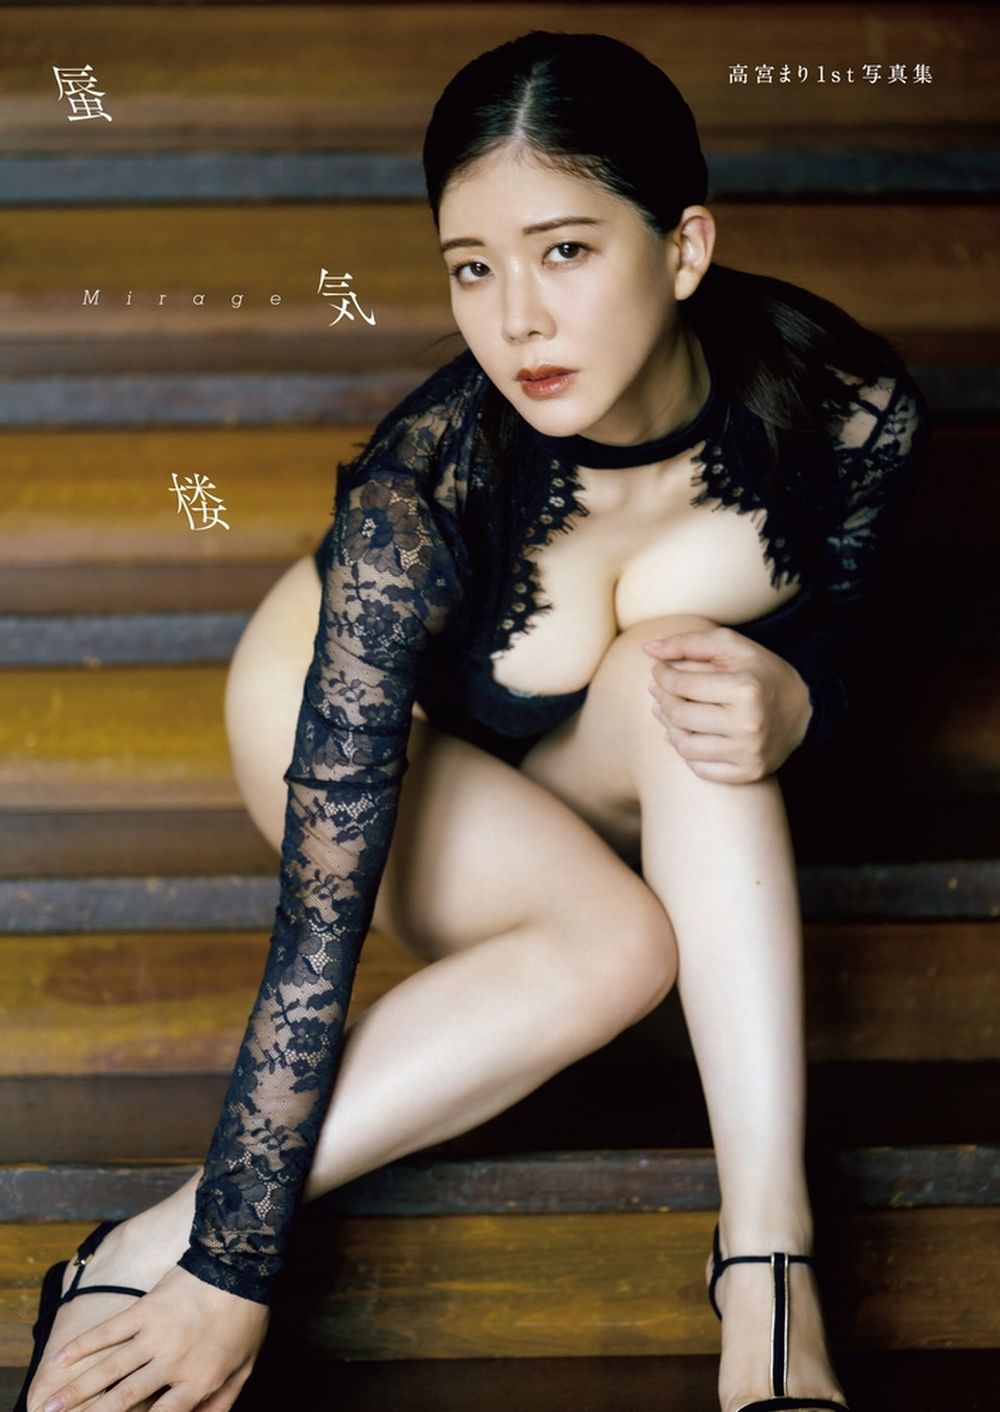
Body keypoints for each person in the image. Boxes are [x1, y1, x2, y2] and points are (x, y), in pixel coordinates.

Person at [20, 29, 930, 1412]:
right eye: (472, 268)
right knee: (615, 948)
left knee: (683, 663)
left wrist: (804, 698)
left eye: (564, 251)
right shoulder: (422, 491)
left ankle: (768, 1265)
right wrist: (232, 1261)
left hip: (590, 755)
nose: (517, 321)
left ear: (684, 247)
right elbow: (317, 933)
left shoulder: (848, 414)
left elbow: (848, 634)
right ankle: (145, 1246)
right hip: (357, 731)